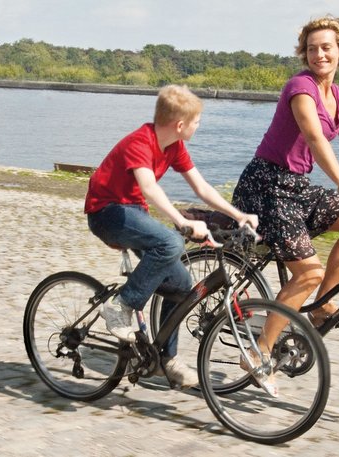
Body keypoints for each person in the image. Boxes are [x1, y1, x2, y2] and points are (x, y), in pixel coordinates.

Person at [231, 16, 339, 394]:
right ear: (304, 53)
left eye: (326, 47)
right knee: (306, 274)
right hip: (266, 189)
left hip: (295, 188)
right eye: (312, 48)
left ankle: (321, 306)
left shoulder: (336, 95)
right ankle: (258, 352)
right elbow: (314, 137)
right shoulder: (301, 87)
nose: (319, 54)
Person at [85, 84, 259, 389]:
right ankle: (121, 304)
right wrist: (180, 222)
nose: (198, 125)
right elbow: (150, 188)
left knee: (181, 288)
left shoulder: (174, 146)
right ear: (180, 124)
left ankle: (167, 359)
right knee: (171, 242)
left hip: (133, 213)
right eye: (196, 121)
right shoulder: (140, 141)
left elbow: (201, 188)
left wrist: (237, 215)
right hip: (106, 213)